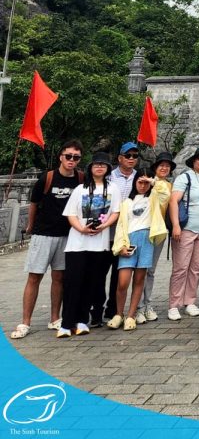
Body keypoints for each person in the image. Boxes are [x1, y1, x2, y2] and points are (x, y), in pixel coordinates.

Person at [11, 139, 84, 339]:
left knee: (59, 278)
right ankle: (25, 321)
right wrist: (30, 226)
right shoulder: (48, 178)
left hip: (67, 235)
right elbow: (34, 203)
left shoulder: (80, 178)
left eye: (76, 157)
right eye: (68, 156)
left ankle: (54, 317)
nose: (71, 160)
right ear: (61, 156)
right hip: (43, 234)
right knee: (34, 276)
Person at [58, 152, 120, 338]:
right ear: (90, 168)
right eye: (96, 165)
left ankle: (82, 320)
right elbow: (70, 214)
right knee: (72, 283)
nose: (99, 167)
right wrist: (81, 229)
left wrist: (104, 226)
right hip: (77, 243)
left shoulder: (113, 189)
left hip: (99, 244)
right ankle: (66, 322)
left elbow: (115, 212)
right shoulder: (80, 189)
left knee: (91, 283)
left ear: (108, 168)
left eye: (103, 165)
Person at [109, 173, 168, 330]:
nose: (142, 185)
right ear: (134, 183)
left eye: (145, 183)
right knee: (123, 281)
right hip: (130, 241)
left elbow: (165, 191)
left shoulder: (153, 199)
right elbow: (121, 226)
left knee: (139, 279)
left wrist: (151, 180)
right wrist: (120, 246)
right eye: (139, 182)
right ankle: (118, 313)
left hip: (146, 240)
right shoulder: (126, 202)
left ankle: (131, 315)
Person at [167, 144, 199, 321]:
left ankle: (190, 300)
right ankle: (174, 304)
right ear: (194, 161)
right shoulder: (185, 177)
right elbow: (174, 201)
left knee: (197, 267)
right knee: (180, 267)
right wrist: (175, 226)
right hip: (186, 228)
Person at [97, 140, 139, 326]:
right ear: (120, 158)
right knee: (99, 273)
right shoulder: (108, 177)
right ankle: (96, 310)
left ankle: (114, 310)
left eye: (135, 156)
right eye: (128, 156)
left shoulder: (139, 178)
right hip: (105, 232)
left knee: (119, 274)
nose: (131, 159)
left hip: (127, 234)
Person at [136, 150, 175, 323]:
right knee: (139, 270)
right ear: (156, 167)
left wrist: (152, 181)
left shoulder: (166, 185)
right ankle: (138, 306)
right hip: (140, 230)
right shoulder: (145, 182)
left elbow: (164, 193)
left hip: (157, 232)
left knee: (150, 271)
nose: (164, 168)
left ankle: (147, 304)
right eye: (161, 165)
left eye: (167, 166)